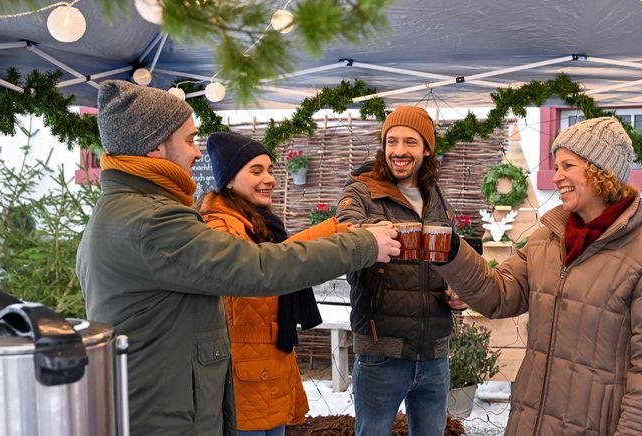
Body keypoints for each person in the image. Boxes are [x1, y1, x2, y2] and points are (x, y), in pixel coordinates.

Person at [76, 80, 400, 436]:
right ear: (155, 146)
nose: (197, 153)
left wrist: (340, 231)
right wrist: (362, 246)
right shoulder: (154, 221)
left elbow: (267, 256)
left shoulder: (124, 210)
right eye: (188, 140)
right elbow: (259, 267)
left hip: (164, 401)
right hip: (168, 415)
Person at [435, 116, 642, 435]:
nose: (556, 177)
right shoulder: (547, 240)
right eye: (556, 166)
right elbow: (498, 296)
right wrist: (450, 250)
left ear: (602, 172)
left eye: (567, 165)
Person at [199, 132, 348, 436]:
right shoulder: (219, 227)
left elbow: (279, 256)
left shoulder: (256, 221)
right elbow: (266, 266)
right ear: (228, 179)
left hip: (270, 366)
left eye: (270, 170)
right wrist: (338, 234)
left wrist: (337, 228)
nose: (269, 179)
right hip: (246, 374)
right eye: (256, 171)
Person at [335, 106, 462, 435]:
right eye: (392, 141)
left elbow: (450, 256)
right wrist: (376, 233)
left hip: (434, 351)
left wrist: (457, 289)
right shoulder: (361, 191)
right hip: (381, 352)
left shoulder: (436, 196)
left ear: (427, 149)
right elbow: (342, 237)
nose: (399, 151)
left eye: (410, 142)